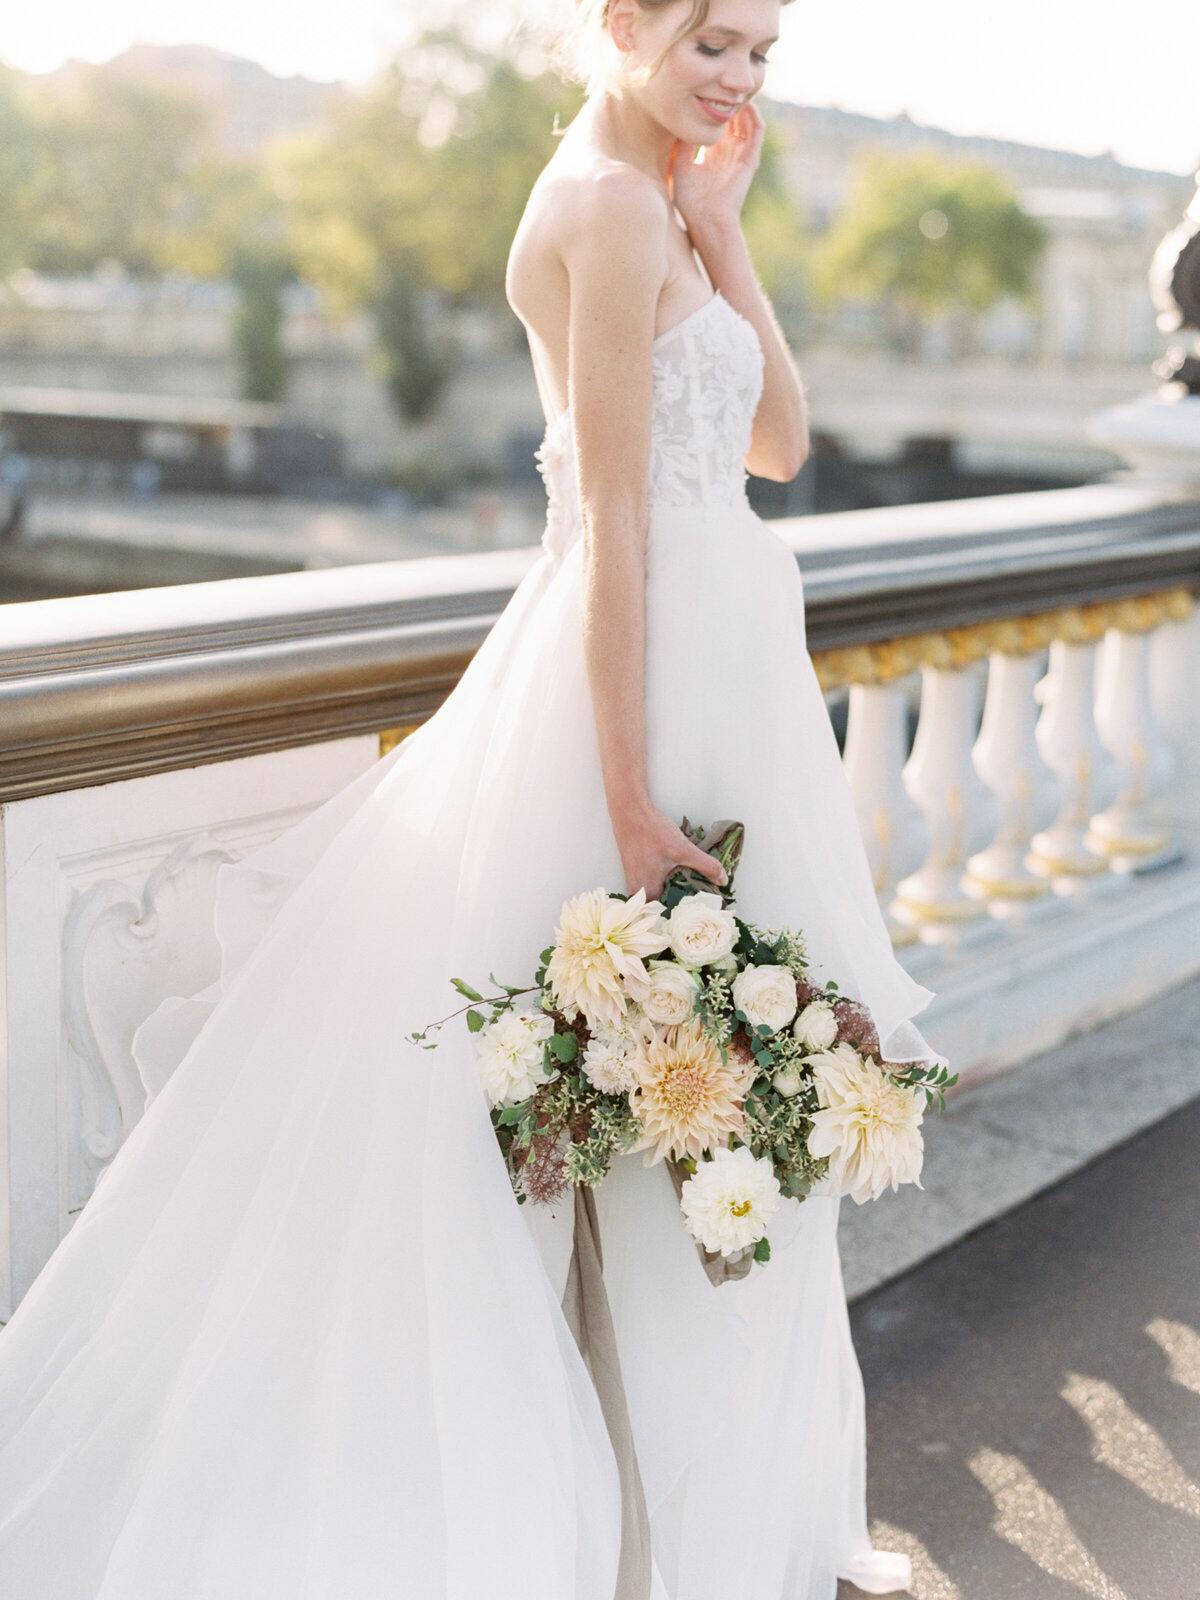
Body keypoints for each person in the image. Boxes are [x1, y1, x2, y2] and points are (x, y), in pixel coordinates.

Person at [0, 0, 944, 1595]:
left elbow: (778, 445)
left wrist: (727, 231)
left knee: (710, 1112)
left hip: (727, 684)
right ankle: (620, 1544)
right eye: (713, 37)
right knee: (621, 1121)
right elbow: (618, 526)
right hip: (642, 706)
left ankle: (697, 1526)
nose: (739, 75)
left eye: (764, 52)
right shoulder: (591, 205)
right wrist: (634, 803)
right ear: (624, 22)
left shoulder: (665, 205)